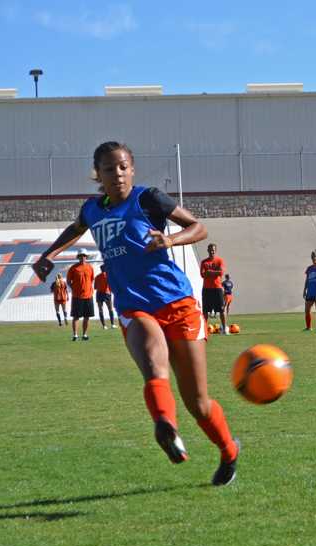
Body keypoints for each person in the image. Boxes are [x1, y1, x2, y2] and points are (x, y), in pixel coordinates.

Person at [31, 141, 241, 486]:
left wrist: (170, 241)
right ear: (97, 174)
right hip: (135, 307)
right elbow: (76, 227)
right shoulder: (93, 209)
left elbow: (199, 228)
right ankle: (165, 425)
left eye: (123, 167)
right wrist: (50, 254)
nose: (118, 174)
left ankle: (228, 450)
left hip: (177, 304)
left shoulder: (149, 199)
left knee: (198, 403)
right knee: (153, 363)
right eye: (109, 168)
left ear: (133, 169)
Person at [199, 243, 228, 335]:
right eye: (210, 249)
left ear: (215, 250)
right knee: (205, 311)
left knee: (221, 310)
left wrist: (209, 272)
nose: (212, 251)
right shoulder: (204, 262)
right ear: (208, 250)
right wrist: (214, 272)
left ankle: (224, 328)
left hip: (217, 288)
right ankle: (204, 330)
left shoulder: (219, 260)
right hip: (207, 289)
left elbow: (221, 273)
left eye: (213, 250)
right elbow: (203, 274)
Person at [67, 250, 95, 341]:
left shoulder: (90, 267)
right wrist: (74, 289)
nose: (82, 257)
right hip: (77, 296)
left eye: (84, 256)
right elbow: (68, 281)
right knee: (76, 317)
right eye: (80, 256)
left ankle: (85, 335)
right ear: (78, 257)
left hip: (88, 296)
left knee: (87, 317)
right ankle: (75, 335)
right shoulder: (73, 268)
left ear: (86, 257)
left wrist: (88, 290)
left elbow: (91, 280)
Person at [94, 263, 116, 329]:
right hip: (107, 293)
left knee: (100, 310)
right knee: (110, 309)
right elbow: (112, 286)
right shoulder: (109, 276)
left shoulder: (97, 277)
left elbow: (95, 287)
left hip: (99, 294)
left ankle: (104, 326)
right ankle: (112, 324)